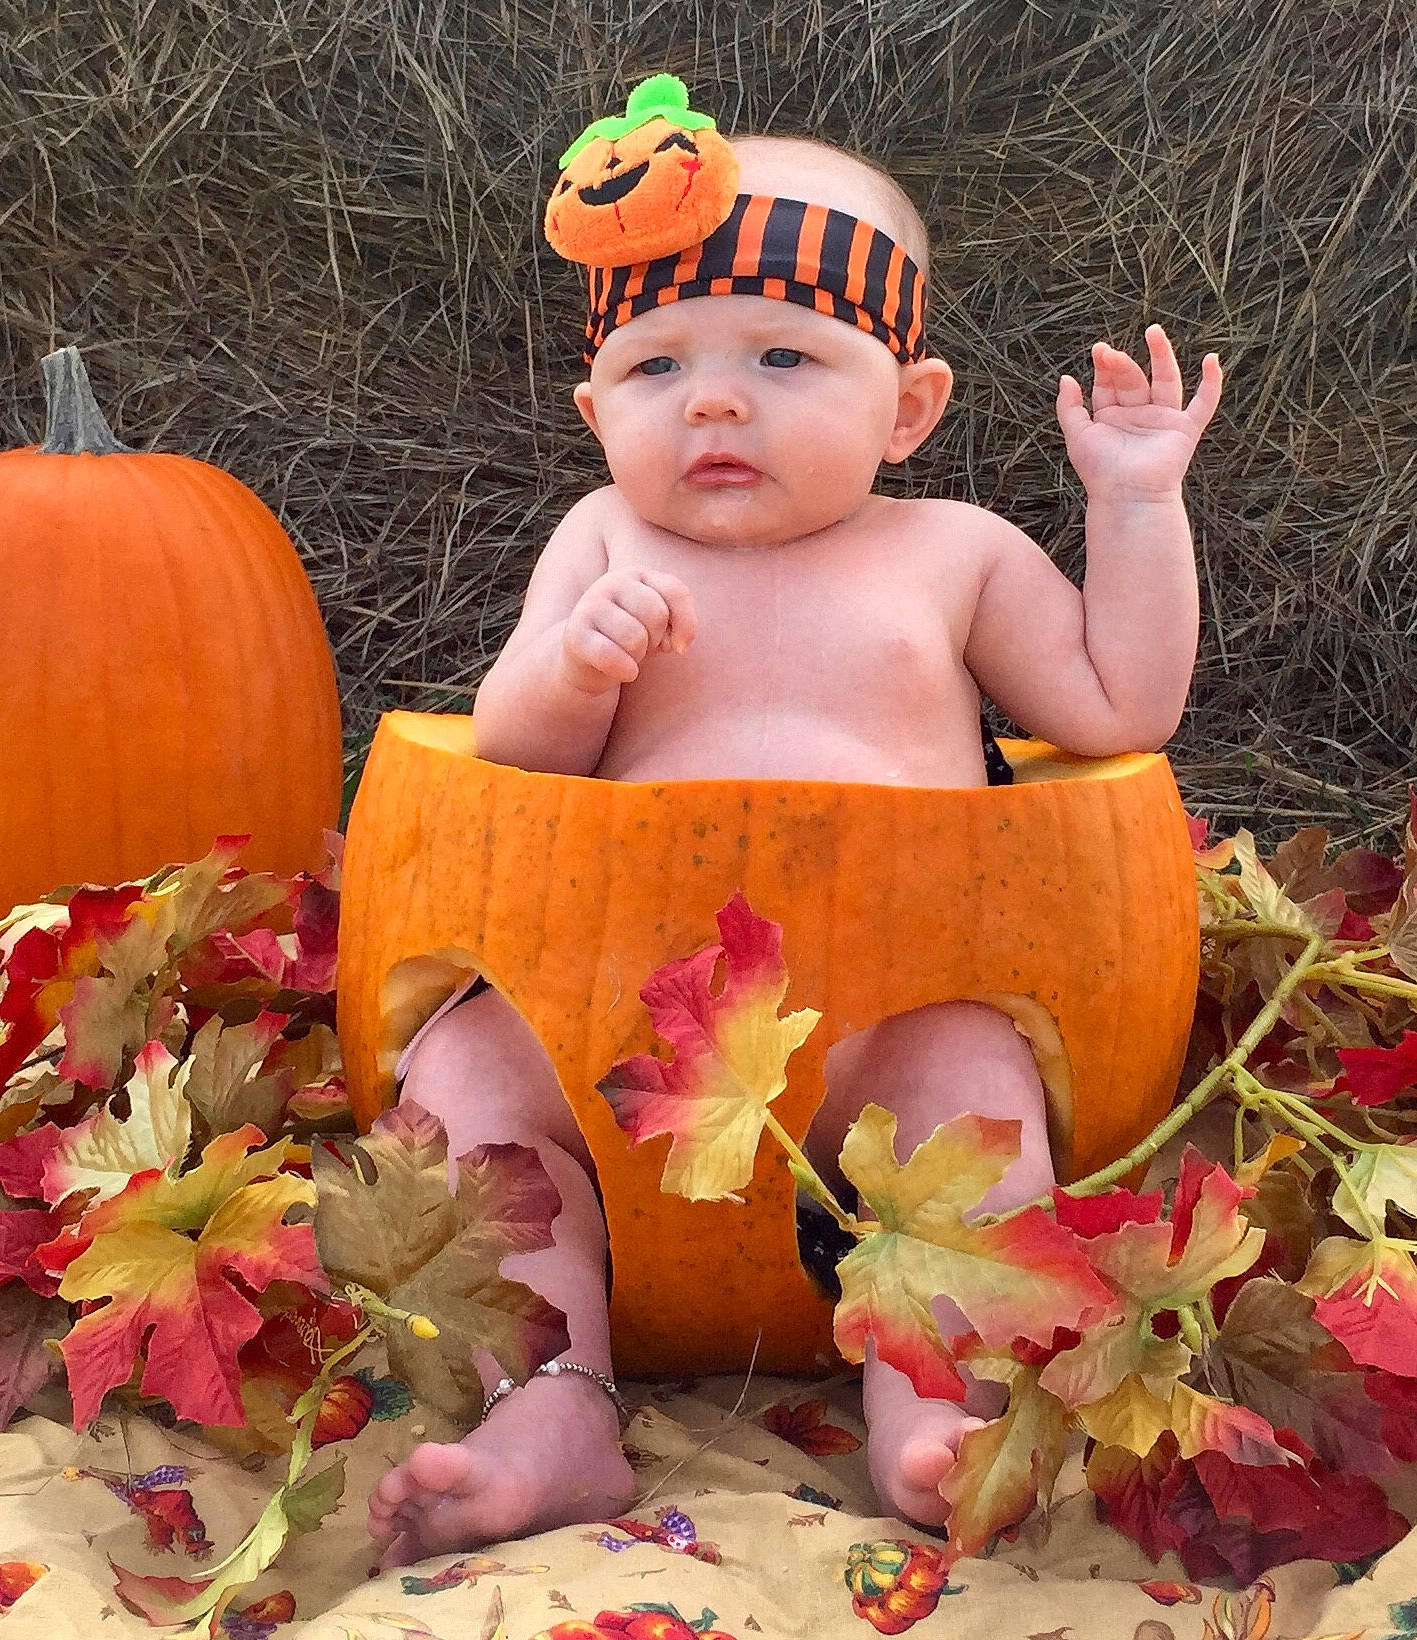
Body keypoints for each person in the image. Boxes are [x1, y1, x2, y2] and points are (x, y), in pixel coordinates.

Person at [367, 125, 1221, 1567]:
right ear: (594, 409)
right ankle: (550, 1398)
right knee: (463, 1073)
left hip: (884, 1022)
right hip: (616, 1034)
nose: (712, 405)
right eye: (658, 369)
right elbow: (511, 771)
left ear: (906, 406)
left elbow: (1119, 705)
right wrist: (574, 667)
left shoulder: (951, 554)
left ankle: (927, 1388)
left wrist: (1134, 505)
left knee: (975, 1093)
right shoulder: (599, 543)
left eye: (779, 360)